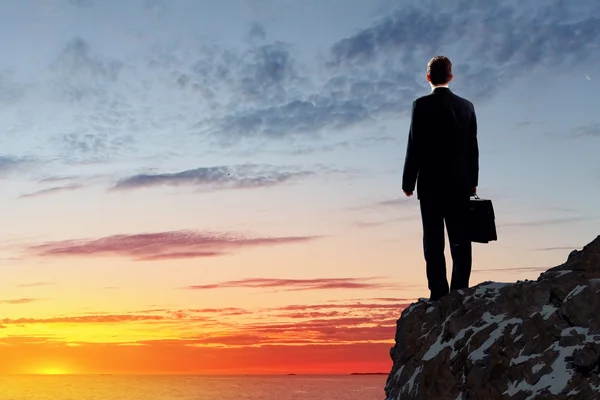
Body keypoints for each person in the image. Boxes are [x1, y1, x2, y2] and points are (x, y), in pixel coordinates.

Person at [401, 56, 478, 302]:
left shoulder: (420, 105)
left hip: (431, 183)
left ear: (428, 77)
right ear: (451, 77)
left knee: (433, 240)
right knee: (461, 239)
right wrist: (473, 180)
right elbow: (472, 148)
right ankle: (460, 290)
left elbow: (415, 144)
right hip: (460, 182)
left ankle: (437, 291)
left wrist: (408, 181)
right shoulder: (467, 107)